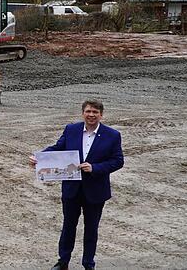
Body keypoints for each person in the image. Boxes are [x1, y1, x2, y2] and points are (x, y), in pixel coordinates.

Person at [29, 100, 124, 270]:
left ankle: (88, 264)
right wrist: (40, 158)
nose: (91, 115)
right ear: (83, 113)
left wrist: (95, 168)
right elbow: (58, 148)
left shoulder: (112, 135)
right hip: (72, 189)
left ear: (101, 115)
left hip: (95, 190)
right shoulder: (71, 130)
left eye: (95, 112)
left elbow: (117, 161)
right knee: (68, 226)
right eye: (88, 111)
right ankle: (63, 261)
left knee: (91, 229)